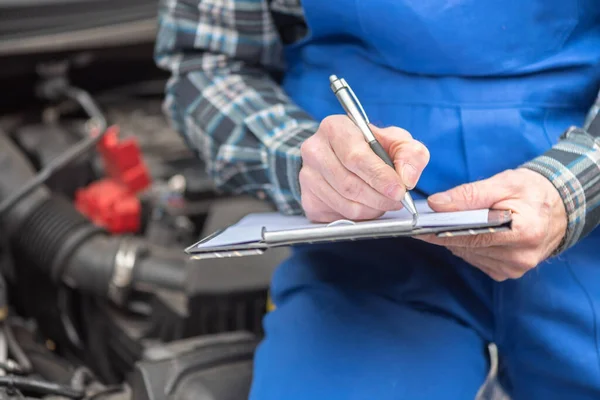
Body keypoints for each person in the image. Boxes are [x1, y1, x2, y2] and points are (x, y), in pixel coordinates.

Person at [154, 1, 600, 399]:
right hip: (362, 256)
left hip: (586, 240)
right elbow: (210, 61)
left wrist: (571, 186)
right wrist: (304, 160)